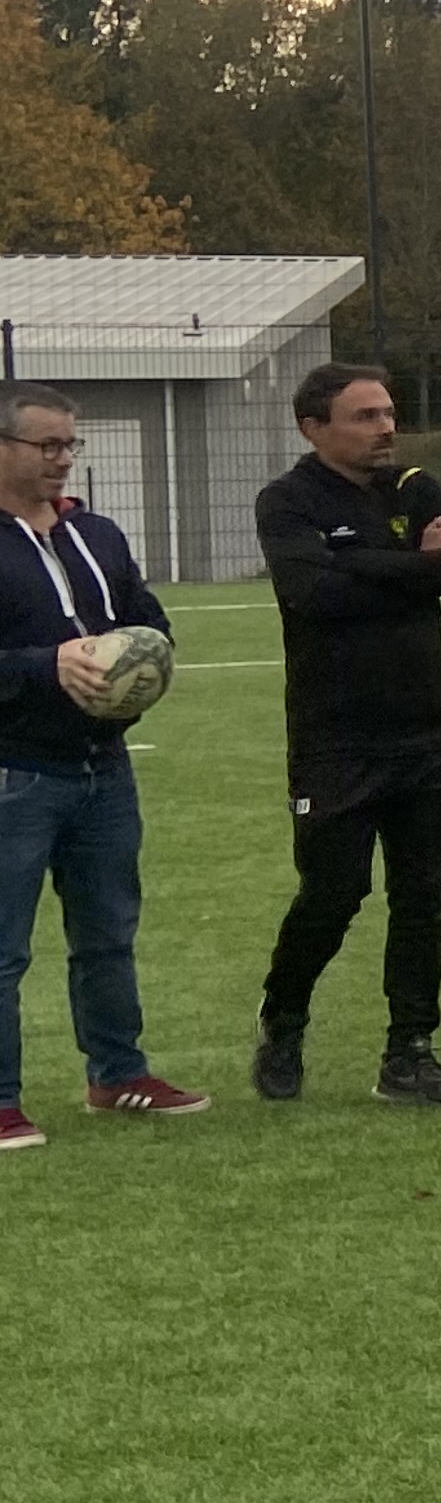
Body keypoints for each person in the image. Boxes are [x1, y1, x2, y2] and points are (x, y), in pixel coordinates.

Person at [255, 363, 441, 1105]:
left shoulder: (415, 487)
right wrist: (416, 563)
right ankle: (284, 1019)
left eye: (388, 412)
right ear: (313, 428)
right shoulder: (288, 500)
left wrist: (365, 564)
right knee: (334, 892)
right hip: (337, 740)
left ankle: (410, 1053)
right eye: (365, 416)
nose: (386, 427)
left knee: (423, 897)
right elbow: (311, 591)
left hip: (431, 734)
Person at [0, 382, 202, 1141]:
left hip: (104, 769)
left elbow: (147, 619)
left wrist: (141, 662)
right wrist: (46, 664)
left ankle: (117, 1074)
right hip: (14, 770)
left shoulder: (98, 534)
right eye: (46, 445)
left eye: (68, 444)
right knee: (3, 950)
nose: (62, 459)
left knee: (108, 934)